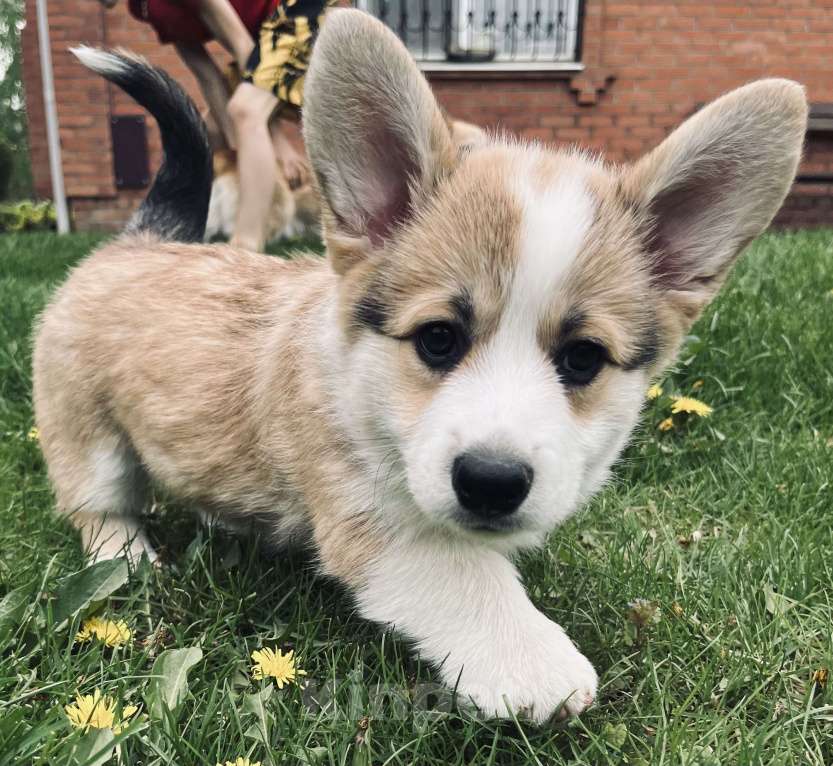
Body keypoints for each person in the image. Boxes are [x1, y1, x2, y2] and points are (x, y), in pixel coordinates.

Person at [98, 0, 331, 251]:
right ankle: (186, 228)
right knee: (210, 132)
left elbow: (242, 47)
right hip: (261, 39)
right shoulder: (143, 8)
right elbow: (206, 75)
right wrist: (235, 143)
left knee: (246, 110)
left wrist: (279, 142)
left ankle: (246, 244)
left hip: (295, 9)